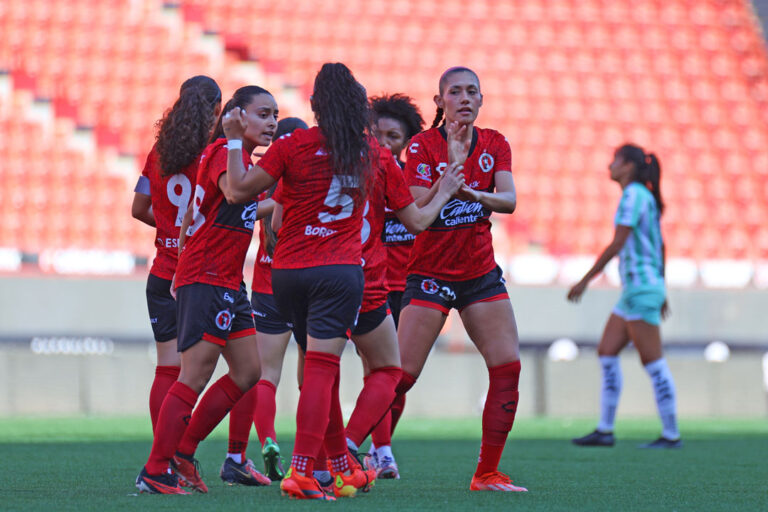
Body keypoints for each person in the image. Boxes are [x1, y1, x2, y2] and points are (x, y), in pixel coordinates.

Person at [135, 85, 277, 494]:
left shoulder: (238, 157)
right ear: (236, 116)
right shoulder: (222, 151)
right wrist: (233, 140)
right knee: (192, 375)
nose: (271, 122)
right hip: (209, 277)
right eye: (262, 114)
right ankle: (156, 468)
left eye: (274, 115)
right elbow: (234, 192)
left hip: (227, 279)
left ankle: (182, 453)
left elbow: (224, 207)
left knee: (249, 371)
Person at [392, 66, 528, 492]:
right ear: (440, 102)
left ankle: (486, 472)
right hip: (430, 273)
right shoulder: (421, 146)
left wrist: (475, 195)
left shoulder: (495, 143)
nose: (465, 98)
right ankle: (345, 456)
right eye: (456, 91)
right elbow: (413, 205)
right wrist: (447, 183)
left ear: (482, 99)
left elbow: (507, 200)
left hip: (479, 273)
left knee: (507, 367)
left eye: (473, 91)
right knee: (399, 376)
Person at [568, 144, 681, 449]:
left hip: (641, 289)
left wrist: (584, 280)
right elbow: (661, 246)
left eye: (614, 160)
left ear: (628, 166)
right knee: (607, 352)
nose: (610, 166)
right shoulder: (644, 197)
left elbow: (618, 243)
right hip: (638, 289)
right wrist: (663, 286)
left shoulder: (633, 196)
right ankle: (605, 429)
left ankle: (671, 434)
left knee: (653, 361)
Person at [131, 75, 221, 433]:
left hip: (162, 272)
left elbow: (139, 208)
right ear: (217, 109)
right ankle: (225, 454)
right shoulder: (215, 154)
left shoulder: (160, 153)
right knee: (245, 369)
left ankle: (163, 453)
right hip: (200, 275)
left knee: (167, 367)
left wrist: (170, 230)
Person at [221, 117, 308, 485]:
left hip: (269, 282)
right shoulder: (313, 176)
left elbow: (239, 207)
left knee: (264, 375)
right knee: (316, 376)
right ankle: (316, 456)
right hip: (311, 281)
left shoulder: (260, 176)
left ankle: (267, 439)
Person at [361, 93, 425, 478]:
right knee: (380, 371)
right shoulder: (358, 179)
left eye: (394, 137)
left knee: (398, 378)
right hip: (373, 286)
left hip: (412, 288)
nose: (384, 143)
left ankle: (376, 446)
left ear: (407, 143)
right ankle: (381, 450)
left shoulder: (415, 181)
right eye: (377, 133)